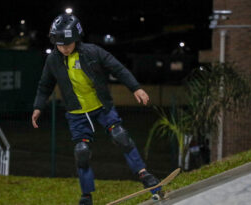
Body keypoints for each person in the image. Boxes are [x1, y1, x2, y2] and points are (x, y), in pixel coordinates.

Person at [32, 13, 160, 205]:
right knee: (81, 152)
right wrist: (37, 107)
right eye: (60, 45)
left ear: (77, 38)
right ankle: (86, 196)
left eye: (68, 44)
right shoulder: (53, 61)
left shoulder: (92, 52)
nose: (64, 48)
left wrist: (136, 88)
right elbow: (44, 86)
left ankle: (145, 176)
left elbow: (118, 69)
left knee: (120, 136)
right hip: (77, 115)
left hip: (101, 107)